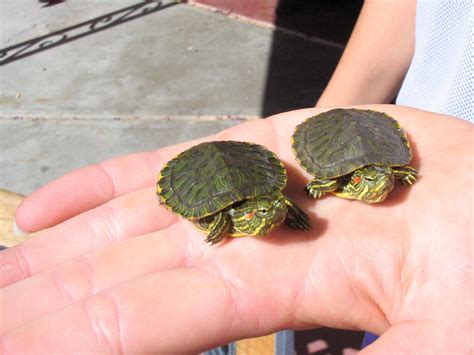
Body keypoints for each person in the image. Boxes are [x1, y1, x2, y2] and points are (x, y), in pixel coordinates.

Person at [2, 2, 472, 355]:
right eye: (270, 209)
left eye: (273, 208)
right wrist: (330, 112)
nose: (274, 209)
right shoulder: (246, 208)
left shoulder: (314, 196)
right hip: (406, 117)